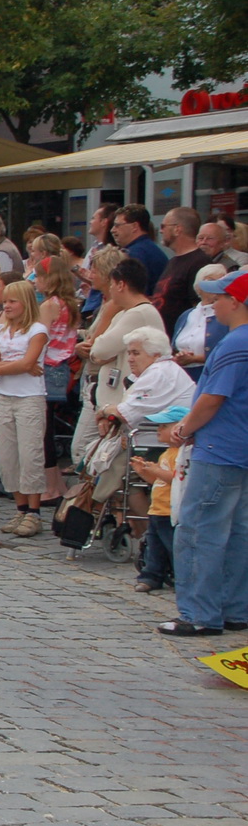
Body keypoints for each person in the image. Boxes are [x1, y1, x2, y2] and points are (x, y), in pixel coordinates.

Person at [161, 270, 248, 636]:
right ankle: (234, 608)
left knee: (199, 530)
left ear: (236, 301)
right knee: (237, 530)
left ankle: (199, 614)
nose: (213, 304)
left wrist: (183, 430)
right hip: (237, 447)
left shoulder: (234, 343)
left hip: (220, 447)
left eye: (219, 297)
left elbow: (213, 399)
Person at [74, 257, 163, 464]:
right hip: (112, 397)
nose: (110, 291)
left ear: (121, 285)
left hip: (120, 400)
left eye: (112, 284)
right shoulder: (129, 312)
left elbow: (100, 349)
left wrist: (106, 315)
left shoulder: (138, 313)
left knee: (87, 452)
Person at [0, 280, 51, 537]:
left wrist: (12, 365)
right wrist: (16, 364)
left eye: (13, 301)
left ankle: (34, 512)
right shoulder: (1, 330)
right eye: (6, 301)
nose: (7, 305)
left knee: (30, 454)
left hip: (29, 397)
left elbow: (28, 363)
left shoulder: (37, 330)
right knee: (8, 455)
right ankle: (20, 507)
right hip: (5, 397)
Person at [33, 249, 83, 501]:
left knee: (43, 431)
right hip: (63, 369)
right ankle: (57, 485)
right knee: (48, 427)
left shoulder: (49, 305)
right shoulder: (70, 304)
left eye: (39, 277)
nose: (36, 281)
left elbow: (39, 339)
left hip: (47, 368)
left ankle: (50, 486)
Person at [131, 405, 188, 594]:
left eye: (164, 426)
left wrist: (155, 470)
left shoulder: (182, 454)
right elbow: (157, 482)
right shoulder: (167, 453)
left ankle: (182, 578)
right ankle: (151, 575)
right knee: (154, 545)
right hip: (156, 509)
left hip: (169, 510)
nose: (159, 430)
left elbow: (176, 479)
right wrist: (145, 472)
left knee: (173, 546)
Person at [154, 207, 207, 334]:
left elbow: (200, 308)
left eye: (163, 226)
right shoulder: (173, 261)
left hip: (179, 340)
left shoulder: (199, 263)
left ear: (177, 229)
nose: (160, 231)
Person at [173, 263, 231, 381]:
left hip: (211, 374)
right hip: (181, 375)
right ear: (199, 286)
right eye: (211, 280)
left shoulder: (226, 315)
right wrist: (179, 356)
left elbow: (228, 353)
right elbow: (173, 347)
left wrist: (195, 359)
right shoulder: (186, 315)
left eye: (221, 280)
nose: (218, 285)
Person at [111, 204, 168, 291]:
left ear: (134, 226)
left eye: (117, 225)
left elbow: (134, 292)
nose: (112, 230)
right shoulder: (148, 248)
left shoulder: (136, 253)